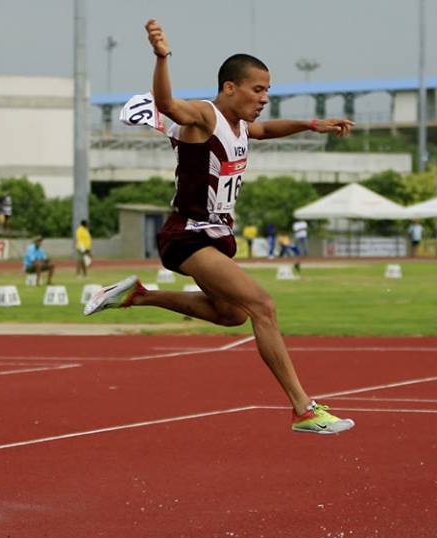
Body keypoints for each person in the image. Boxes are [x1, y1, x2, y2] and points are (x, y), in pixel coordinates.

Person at [85, 19, 356, 435]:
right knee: (262, 306)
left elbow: (264, 131)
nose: (265, 98)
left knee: (230, 315)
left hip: (216, 236)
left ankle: (138, 296)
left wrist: (313, 124)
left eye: (267, 90)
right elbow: (168, 105)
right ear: (230, 87)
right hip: (188, 235)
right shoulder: (203, 117)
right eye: (258, 89)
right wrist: (161, 57)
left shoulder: (240, 126)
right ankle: (303, 408)